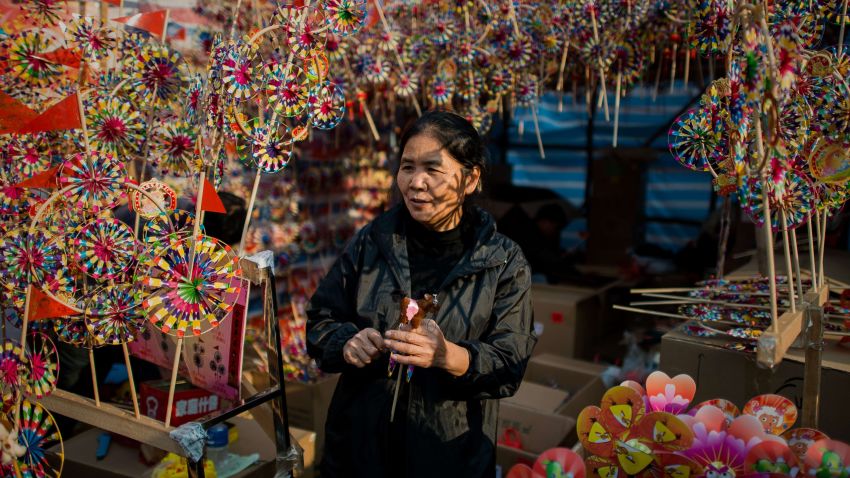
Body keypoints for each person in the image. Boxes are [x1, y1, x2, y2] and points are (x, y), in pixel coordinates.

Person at [306, 111, 537, 477]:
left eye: (432, 169)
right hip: (358, 451)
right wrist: (346, 342)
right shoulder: (373, 241)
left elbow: (510, 360)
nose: (416, 183)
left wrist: (449, 356)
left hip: (449, 454)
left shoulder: (502, 262)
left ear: (470, 179)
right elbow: (321, 320)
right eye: (408, 167)